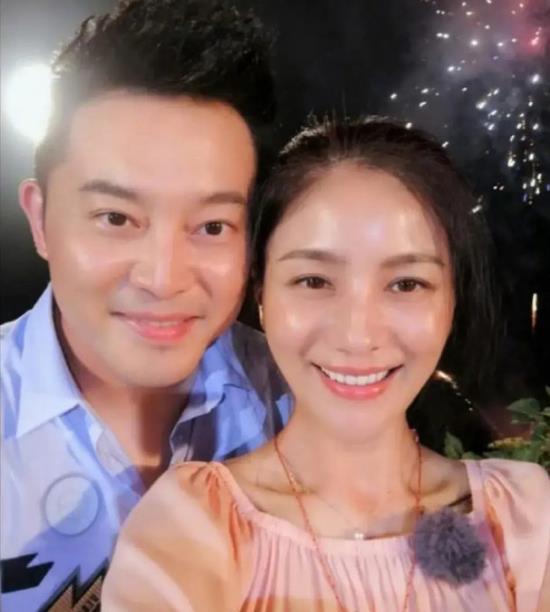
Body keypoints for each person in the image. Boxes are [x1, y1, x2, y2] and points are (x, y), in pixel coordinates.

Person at [103, 117, 550, 611]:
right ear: (261, 295)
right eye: (314, 281)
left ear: (451, 302)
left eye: (406, 284)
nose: (357, 336)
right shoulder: (192, 528)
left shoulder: (524, 517)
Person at [0, 1, 292, 610]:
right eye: (115, 218)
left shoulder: (297, 398)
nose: (163, 278)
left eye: (212, 226)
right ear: (41, 219)